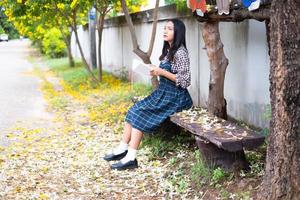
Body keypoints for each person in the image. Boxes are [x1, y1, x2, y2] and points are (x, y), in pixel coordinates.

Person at [104, 19, 193, 170]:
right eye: (164, 28)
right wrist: (152, 69)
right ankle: (123, 148)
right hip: (163, 93)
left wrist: (162, 72)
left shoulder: (181, 53)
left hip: (177, 98)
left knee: (140, 113)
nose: (165, 31)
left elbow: (185, 81)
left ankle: (131, 158)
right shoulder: (168, 51)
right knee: (133, 110)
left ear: (178, 33)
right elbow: (165, 73)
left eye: (169, 29)